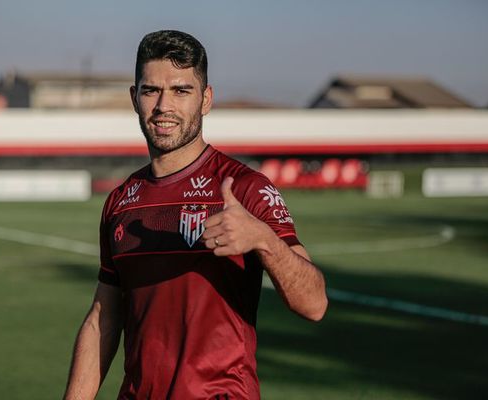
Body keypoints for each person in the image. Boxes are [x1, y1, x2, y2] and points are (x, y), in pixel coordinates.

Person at [63, 30, 327, 400]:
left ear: (206, 100)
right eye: (151, 90)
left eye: (181, 91)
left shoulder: (245, 189)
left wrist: (263, 240)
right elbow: (103, 319)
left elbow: (314, 305)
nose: (163, 106)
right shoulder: (122, 201)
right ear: (134, 97)